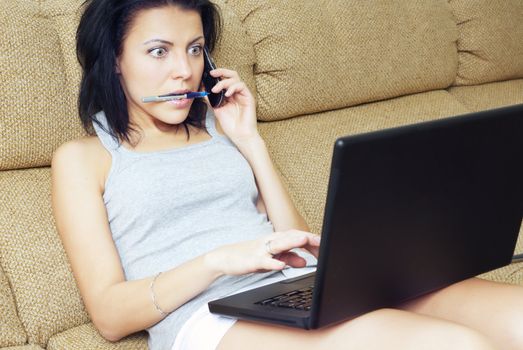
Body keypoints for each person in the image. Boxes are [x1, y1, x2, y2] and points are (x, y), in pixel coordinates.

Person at [51, 0, 523, 349]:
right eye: (159, 52)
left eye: (195, 50)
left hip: (297, 286)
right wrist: (219, 261)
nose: (184, 71)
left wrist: (250, 141)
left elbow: (294, 241)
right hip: (208, 319)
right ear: (115, 60)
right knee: (455, 345)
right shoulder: (84, 159)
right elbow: (110, 315)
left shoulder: (224, 132)